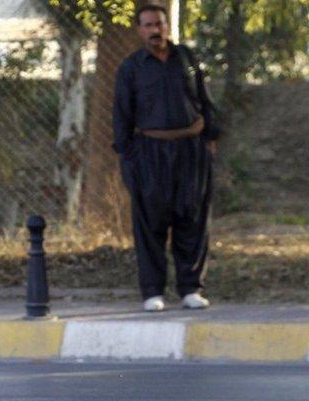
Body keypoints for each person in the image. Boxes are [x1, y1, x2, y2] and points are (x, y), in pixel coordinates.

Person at [113, 4, 219, 312]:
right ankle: (152, 292)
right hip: (151, 154)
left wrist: (210, 137)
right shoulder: (131, 67)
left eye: (159, 24)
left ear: (167, 26)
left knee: (193, 219)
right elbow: (121, 115)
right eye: (147, 25)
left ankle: (191, 288)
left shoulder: (186, 58)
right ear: (139, 30)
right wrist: (128, 157)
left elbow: (204, 98)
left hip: (191, 151)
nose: (154, 30)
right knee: (151, 222)